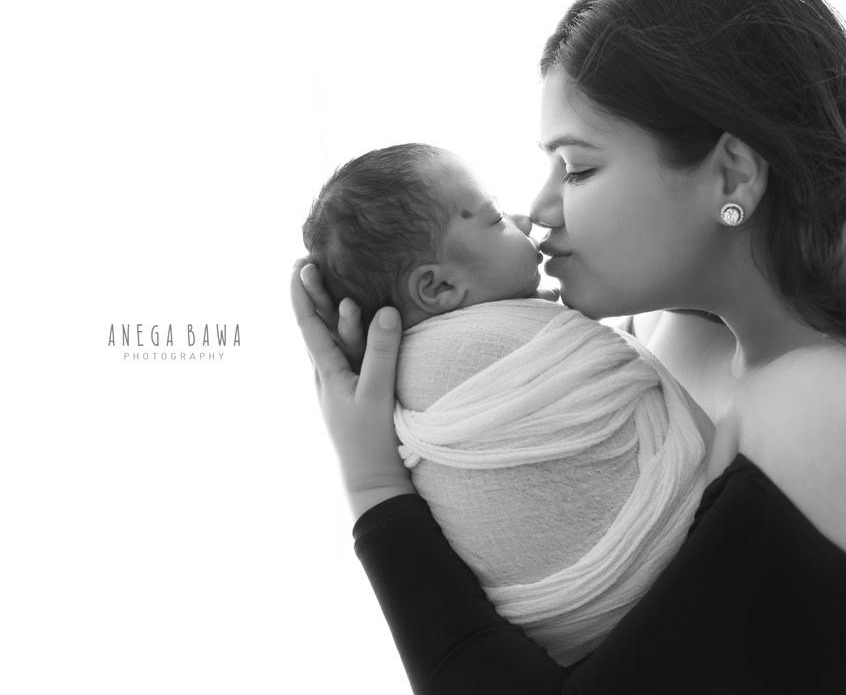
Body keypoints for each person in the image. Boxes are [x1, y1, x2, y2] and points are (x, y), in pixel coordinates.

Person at [292, 0, 846, 693]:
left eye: (577, 168)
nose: (539, 209)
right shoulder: (688, 339)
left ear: (732, 176)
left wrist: (375, 485)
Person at [300, 142, 710, 664]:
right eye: (494, 219)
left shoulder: (418, 364)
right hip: (646, 588)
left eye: (580, 169)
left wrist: (371, 484)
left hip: (574, 638)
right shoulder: (462, 356)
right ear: (439, 286)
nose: (525, 217)